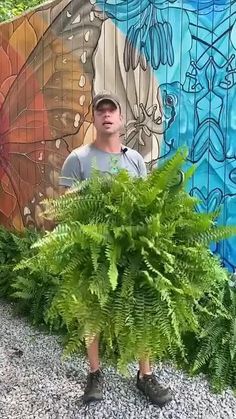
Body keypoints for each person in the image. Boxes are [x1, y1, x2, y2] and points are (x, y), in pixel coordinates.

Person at [59, 91, 172, 407]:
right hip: (94, 251)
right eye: (100, 111)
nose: (106, 115)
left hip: (132, 250)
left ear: (121, 119)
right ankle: (95, 373)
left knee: (143, 309)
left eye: (112, 110)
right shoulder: (78, 159)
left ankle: (144, 375)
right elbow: (63, 207)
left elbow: (146, 205)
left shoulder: (134, 159)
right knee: (91, 311)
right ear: (94, 119)